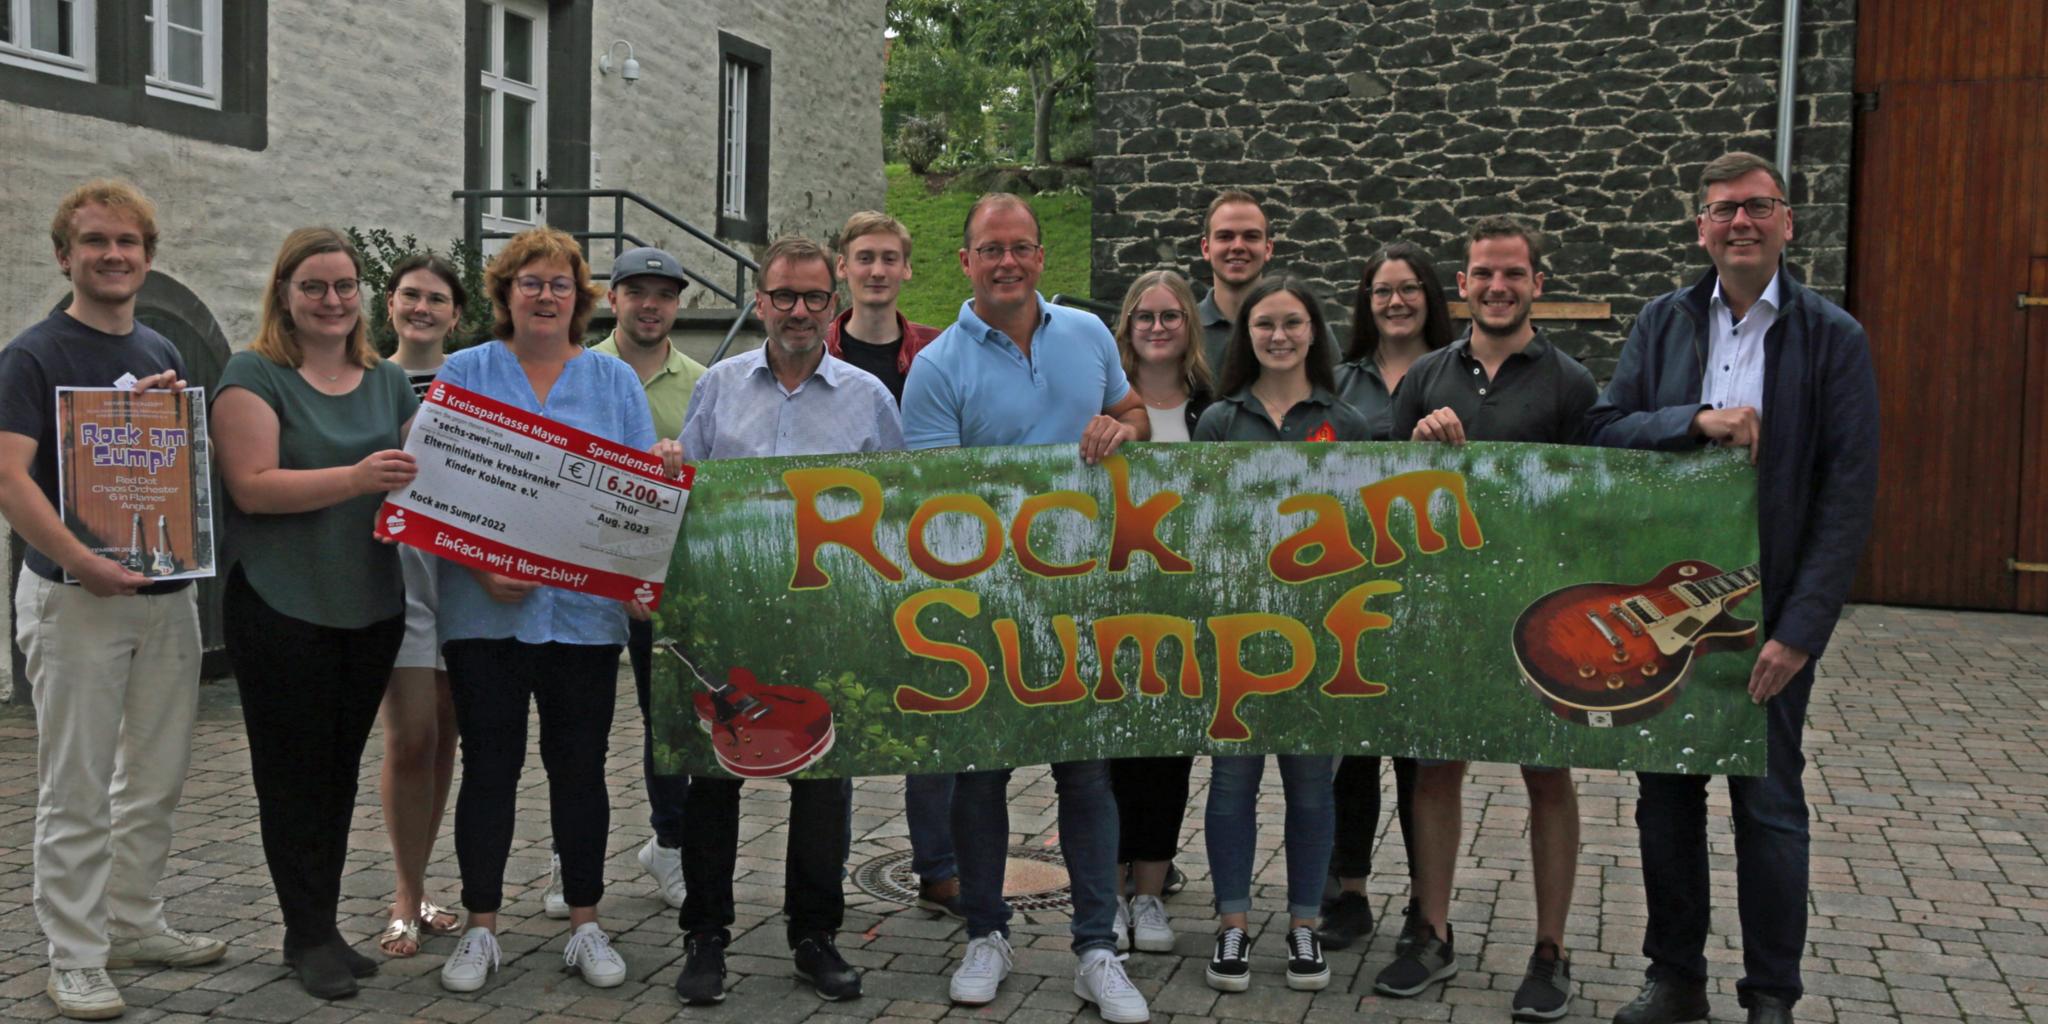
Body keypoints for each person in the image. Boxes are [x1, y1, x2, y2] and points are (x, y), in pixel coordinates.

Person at [1587, 152, 1879, 1024]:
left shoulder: (1833, 338)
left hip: (1768, 614)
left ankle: (1772, 996)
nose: (1740, 222)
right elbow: (1607, 430)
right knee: (1665, 801)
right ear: (1701, 229)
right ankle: (1676, 980)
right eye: (1723, 210)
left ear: (1787, 221)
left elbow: (1848, 495)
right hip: (1667, 606)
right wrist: (1696, 422)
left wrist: (1801, 631)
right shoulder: (1664, 322)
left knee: (1770, 807)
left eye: (1757, 206)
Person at [900, 193, 1152, 1024]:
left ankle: (1096, 948)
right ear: (965, 261)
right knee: (981, 775)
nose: (1006, 261)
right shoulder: (937, 367)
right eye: (990, 249)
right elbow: (935, 505)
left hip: (1086, 596)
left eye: (1020, 247)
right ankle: (986, 933)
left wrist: (1123, 430)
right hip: (987, 605)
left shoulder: (1088, 334)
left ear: (1041, 256)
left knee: (1087, 775)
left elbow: (1135, 413)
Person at [430, 227, 682, 995]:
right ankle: (480, 929)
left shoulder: (613, 383)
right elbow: (437, 484)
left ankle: (585, 923)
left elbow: (636, 497)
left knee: (580, 770)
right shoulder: (466, 371)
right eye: (530, 282)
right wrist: (479, 563)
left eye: (560, 284)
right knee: (490, 769)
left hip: (583, 617)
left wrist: (645, 546)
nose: (545, 295)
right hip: (486, 615)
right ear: (505, 294)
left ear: (580, 299)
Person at [0, 180, 225, 1020]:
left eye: (128, 242)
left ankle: (131, 922)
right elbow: (8, 478)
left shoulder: (160, 346)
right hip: (75, 597)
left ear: (147, 256)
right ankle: (76, 954)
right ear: (65, 256)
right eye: (95, 241)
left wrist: (163, 423)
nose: (113, 255)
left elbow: (171, 469)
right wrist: (79, 560)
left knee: (157, 776)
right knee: (77, 784)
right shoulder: (32, 356)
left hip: (165, 593)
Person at [669, 236, 901, 1005]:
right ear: (759, 301)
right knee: (713, 779)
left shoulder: (869, 398)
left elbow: (896, 511)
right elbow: (683, 493)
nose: (798, 311)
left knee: (824, 782)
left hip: (826, 619)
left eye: (813, 297)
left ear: (834, 304)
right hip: (729, 612)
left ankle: (815, 936)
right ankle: (706, 936)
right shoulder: (719, 387)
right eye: (783, 296)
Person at [1379, 217, 1596, 1021]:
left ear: (1538, 283)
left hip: (1542, 611)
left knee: (1548, 775)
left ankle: (1551, 949)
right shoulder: (1425, 377)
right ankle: (1431, 933)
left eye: (1512, 274)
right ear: (1463, 285)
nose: (1497, 287)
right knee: (1436, 768)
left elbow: (1589, 503)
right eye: (1483, 274)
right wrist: (1420, 447)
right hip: (1446, 607)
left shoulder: (1571, 383)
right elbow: (1385, 490)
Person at [211, 227, 421, 1000]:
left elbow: (433, 477)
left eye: (343, 286)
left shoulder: (386, 380)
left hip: (370, 605)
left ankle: (322, 925)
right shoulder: (253, 374)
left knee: (336, 774)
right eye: (313, 287)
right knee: (292, 777)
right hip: (281, 606)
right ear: (285, 294)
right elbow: (253, 487)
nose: (331, 300)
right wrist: (357, 478)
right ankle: (306, 935)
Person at [1191, 275, 1360, 994]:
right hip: (1236, 631)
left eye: (1293, 323)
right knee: (1233, 782)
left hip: (1323, 633)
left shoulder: (1347, 422)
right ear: (1247, 335)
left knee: (1312, 788)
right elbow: (1197, 526)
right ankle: (1231, 925)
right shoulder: (1219, 421)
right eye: (1265, 324)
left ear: (1314, 332)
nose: (1279, 336)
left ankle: (1304, 928)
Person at [823, 211, 959, 917]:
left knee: (932, 716)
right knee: (836, 718)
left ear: (907, 268)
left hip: (924, 563)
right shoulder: (809, 352)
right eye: (863, 258)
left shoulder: (938, 353)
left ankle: (939, 868)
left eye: (888, 258)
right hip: (839, 565)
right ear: (842, 268)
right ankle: (826, 875)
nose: (876, 270)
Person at [1318, 241, 1451, 949]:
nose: (1396, 302)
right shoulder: (1340, 381)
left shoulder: (1459, 373)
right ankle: (1349, 891)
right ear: (1365, 304)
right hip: (1352, 584)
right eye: (1381, 291)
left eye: (1408, 288)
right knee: (1353, 750)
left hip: (1433, 584)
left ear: (1430, 295)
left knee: (1423, 755)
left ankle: (1428, 902)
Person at [586, 245, 708, 917]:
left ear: (678, 305)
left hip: (663, 581)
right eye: (636, 292)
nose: (650, 305)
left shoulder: (703, 382)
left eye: (663, 294)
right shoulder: (580, 371)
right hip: (583, 577)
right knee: (579, 726)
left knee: (668, 720)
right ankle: (567, 856)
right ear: (613, 299)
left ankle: (670, 844)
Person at [1104, 268, 1211, 955]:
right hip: (1112, 597)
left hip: (1187, 602)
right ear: (1127, 326)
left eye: (1171, 316)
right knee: (1112, 752)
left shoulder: (1213, 408)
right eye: (1145, 316)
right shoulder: (1105, 398)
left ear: (1189, 325)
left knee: (1170, 752)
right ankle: (1111, 890)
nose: (1157, 327)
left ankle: (1150, 892)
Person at [375, 253, 467, 958]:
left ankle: (423, 881)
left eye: (436, 298)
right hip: (398, 575)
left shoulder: (473, 381)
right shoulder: (370, 380)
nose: (422, 308)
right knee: (410, 737)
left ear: (455, 314)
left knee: (445, 735)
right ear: (390, 304)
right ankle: (405, 892)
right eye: (410, 295)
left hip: (464, 577)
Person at [1195, 190, 1275, 372]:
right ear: (1206, 248)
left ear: (1268, 249)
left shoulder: (1302, 330)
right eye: (1225, 236)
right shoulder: (1181, 332)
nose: (1238, 246)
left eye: (1251, 236)